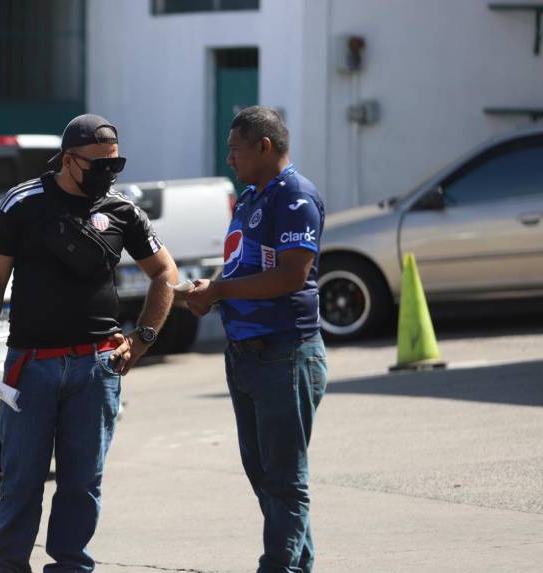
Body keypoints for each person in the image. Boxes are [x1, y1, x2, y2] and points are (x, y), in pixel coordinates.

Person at [0, 114, 179, 572]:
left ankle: (70, 567)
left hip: (97, 368)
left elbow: (165, 272)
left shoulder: (121, 210)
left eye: (115, 163)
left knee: (83, 482)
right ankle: (8, 565)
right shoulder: (23, 203)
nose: (108, 173)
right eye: (98, 164)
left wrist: (141, 340)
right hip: (32, 366)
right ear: (68, 160)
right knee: (22, 481)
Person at [180, 106, 328, 573]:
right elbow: (243, 266)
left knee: (284, 480)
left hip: (285, 352)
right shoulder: (249, 199)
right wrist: (210, 290)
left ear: (264, 146)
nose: (229, 158)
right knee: (264, 477)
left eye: (235, 148)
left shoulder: (295, 197)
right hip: (245, 356)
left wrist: (220, 291)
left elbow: (290, 276)